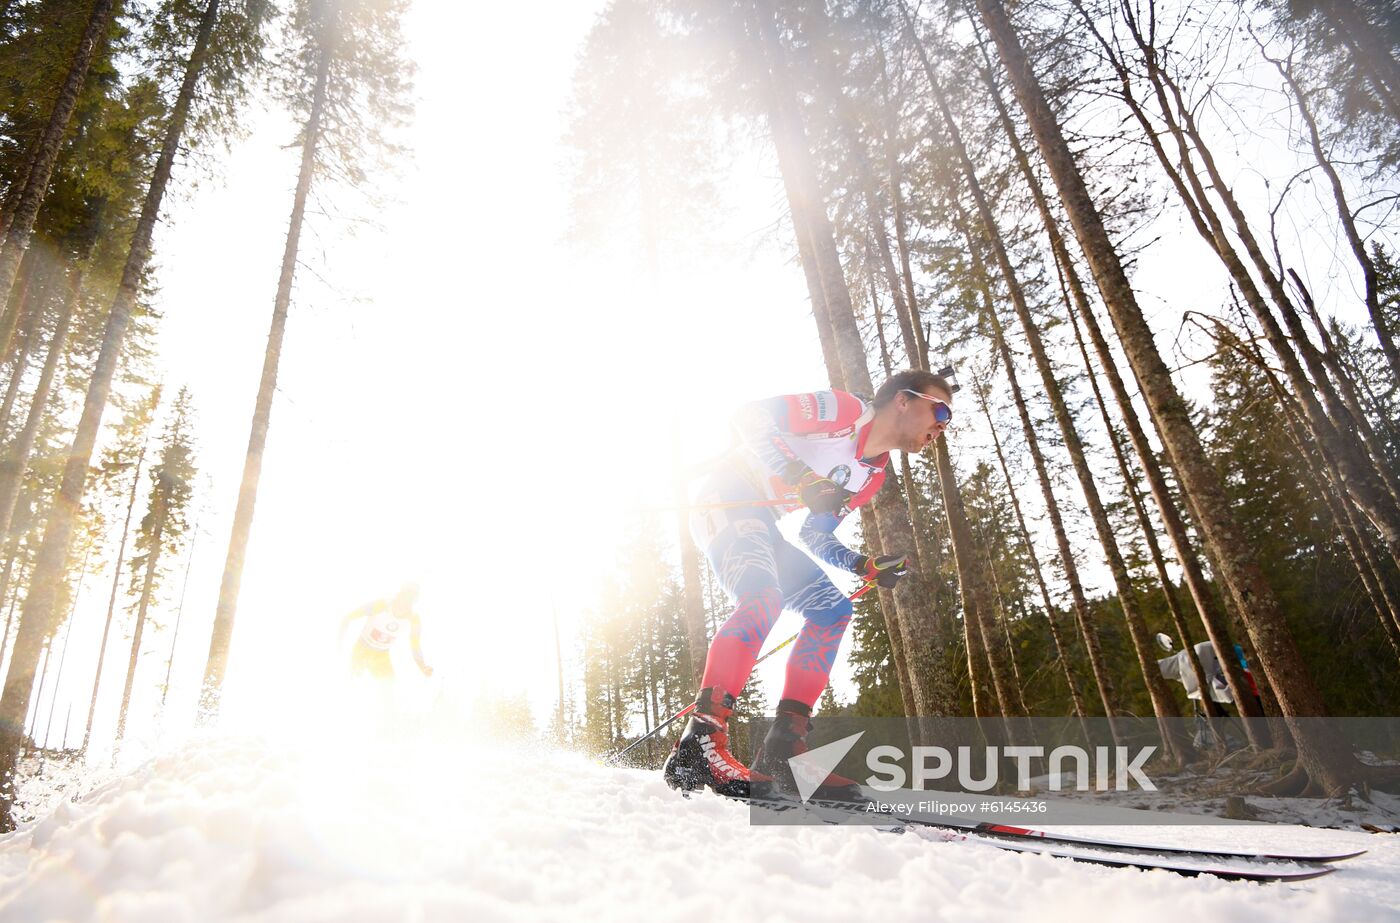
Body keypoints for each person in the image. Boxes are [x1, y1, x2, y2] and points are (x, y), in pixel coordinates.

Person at [662, 370, 953, 800]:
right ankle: (700, 742)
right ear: (903, 400)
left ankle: (783, 750)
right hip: (724, 499)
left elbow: (815, 535)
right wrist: (800, 475)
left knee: (832, 611)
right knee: (764, 597)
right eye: (940, 410)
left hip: (766, 527)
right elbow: (751, 416)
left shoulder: (871, 476)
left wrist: (864, 564)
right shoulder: (847, 411)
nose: (942, 426)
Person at [341, 582, 434, 681]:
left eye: (412, 599)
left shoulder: (414, 618)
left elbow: (415, 644)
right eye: (406, 597)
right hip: (362, 649)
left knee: (388, 686)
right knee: (355, 681)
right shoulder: (380, 605)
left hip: (381, 654)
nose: (407, 603)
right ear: (399, 594)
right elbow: (347, 618)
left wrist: (422, 666)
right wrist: (339, 645)